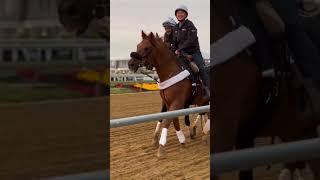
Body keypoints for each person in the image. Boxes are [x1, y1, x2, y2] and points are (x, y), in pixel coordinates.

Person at [172, 5, 210, 99]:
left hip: (194, 53)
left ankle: (208, 89)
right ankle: (192, 86)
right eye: (178, 13)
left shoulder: (190, 25)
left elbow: (191, 40)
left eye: (182, 13)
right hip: (182, 54)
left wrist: (179, 49)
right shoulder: (176, 28)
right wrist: (173, 50)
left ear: (186, 14)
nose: (180, 14)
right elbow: (174, 42)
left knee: (201, 69)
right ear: (176, 15)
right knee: (184, 71)